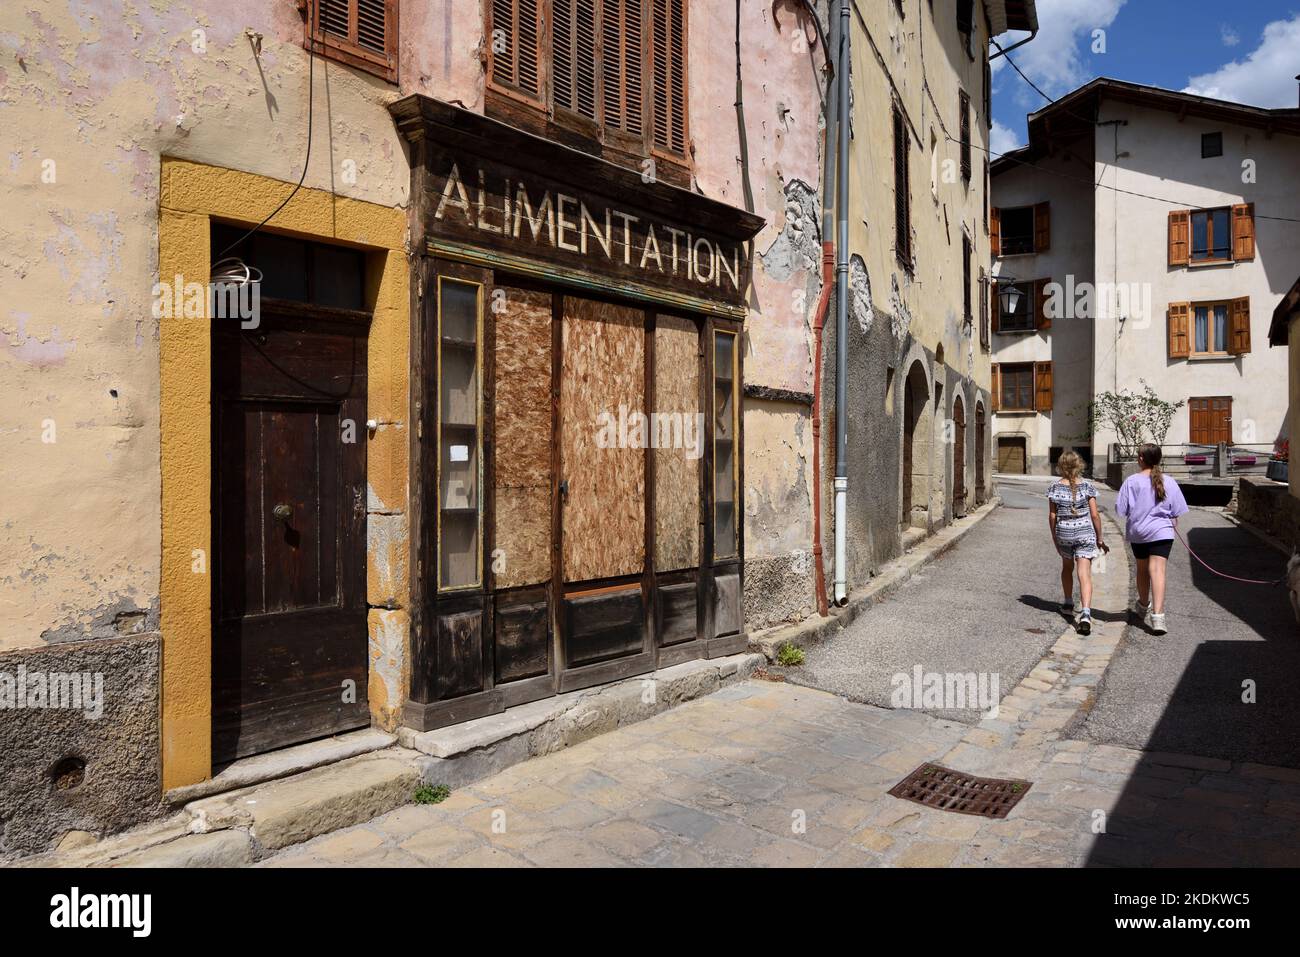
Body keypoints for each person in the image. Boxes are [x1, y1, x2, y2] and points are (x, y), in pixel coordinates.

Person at [1116, 443, 1188, 636]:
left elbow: (1121, 510)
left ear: (1141, 459)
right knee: (1158, 571)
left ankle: (1143, 604)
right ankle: (1158, 617)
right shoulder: (1169, 481)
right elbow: (1177, 510)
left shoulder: (1131, 481)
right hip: (1162, 532)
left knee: (1142, 569)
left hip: (1139, 533)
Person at [1047, 450, 1107, 634]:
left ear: (1061, 466)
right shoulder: (1087, 486)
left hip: (1064, 533)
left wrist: (1055, 537)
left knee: (1067, 567)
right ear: (1079, 465)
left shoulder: (1054, 487)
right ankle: (1086, 614)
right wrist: (1100, 538)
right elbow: (1095, 515)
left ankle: (1067, 603)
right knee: (1084, 573)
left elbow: (1052, 515)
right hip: (1084, 534)